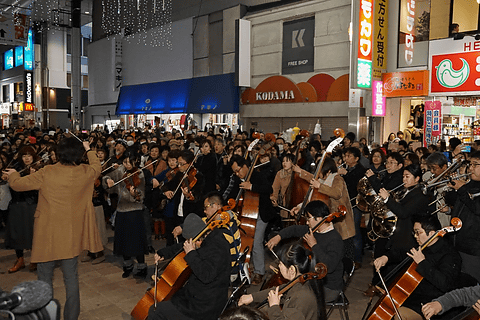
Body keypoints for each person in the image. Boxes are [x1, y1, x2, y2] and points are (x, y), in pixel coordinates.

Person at [4, 138, 103, 320]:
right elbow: (97, 166)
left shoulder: (48, 171)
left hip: (47, 233)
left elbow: (17, 184)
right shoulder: (85, 172)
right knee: (71, 278)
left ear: (58, 154)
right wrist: (89, 150)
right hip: (71, 234)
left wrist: (13, 175)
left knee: (44, 279)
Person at [374, 215, 462, 320]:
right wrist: (386, 257)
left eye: (418, 232)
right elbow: (402, 253)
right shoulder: (423, 245)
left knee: (398, 315)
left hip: (430, 303)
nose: (415, 236)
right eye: (414, 233)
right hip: (413, 297)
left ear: (431, 233)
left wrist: (422, 262)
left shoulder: (450, 255)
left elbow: (445, 284)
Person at [149, 213, 231, 320]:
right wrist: (163, 253)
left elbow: (206, 275)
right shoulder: (210, 237)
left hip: (204, 306)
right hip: (201, 296)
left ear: (197, 240)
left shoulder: (216, 249)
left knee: (156, 310)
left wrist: (191, 253)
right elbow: (183, 246)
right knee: (172, 298)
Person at [267, 200, 344, 303]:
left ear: (320, 218)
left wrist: (314, 245)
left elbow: (330, 266)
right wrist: (278, 237)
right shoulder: (313, 230)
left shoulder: (335, 239)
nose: (307, 222)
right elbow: (294, 229)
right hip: (311, 280)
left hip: (328, 287)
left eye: (309, 218)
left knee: (292, 296)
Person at [238, 243, 322, 320]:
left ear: (291, 269)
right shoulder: (298, 282)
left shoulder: (301, 298)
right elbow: (279, 290)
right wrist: (252, 297)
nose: (278, 266)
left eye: (281, 263)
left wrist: (274, 306)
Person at [230, 154, 276, 285]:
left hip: (261, 214)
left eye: (238, 170)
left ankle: (259, 272)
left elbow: (269, 189)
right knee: (243, 240)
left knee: (256, 242)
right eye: (235, 172)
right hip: (246, 214)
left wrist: (251, 187)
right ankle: (242, 269)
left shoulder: (257, 175)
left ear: (245, 166)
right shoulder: (237, 179)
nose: (237, 174)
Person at [103, 151, 148, 279]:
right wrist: (108, 181)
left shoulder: (140, 173)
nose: (127, 165)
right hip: (121, 210)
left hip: (135, 212)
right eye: (125, 162)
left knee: (136, 241)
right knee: (123, 241)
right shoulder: (120, 171)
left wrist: (135, 195)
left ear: (136, 161)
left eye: (129, 162)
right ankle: (127, 265)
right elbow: (105, 178)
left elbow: (141, 195)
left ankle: (142, 267)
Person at [444, 150, 480, 283]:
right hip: (457, 242)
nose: (471, 168)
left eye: (475, 164)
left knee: (472, 284)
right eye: (470, 164)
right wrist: (451, 187)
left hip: (473, 248)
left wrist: (462, 189)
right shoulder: (470, 184)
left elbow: (476, 208)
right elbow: (456, 201)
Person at [4, 145, 41, 273]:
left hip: (31, 204)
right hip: (16, 203)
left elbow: (38, 190)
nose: (26, 158)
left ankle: (34, 259)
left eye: (29, 155)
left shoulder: (38, 169)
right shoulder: (15, 168)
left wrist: (32, 178)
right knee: (16, 233)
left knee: (32, 233)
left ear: (33, 157)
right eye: (24, 156)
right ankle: (20, 259)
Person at [337, 146, 366, 269]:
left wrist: (346, 174)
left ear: (356, 158)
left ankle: (357, 259)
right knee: (344, 231)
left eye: (349, 156)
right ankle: (347, 257)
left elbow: (356, 184)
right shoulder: (345, 168)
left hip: (355, 204)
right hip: (344, 203)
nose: (346, 158)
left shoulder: (361, 170)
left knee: (355, 232)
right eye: (345, 156)